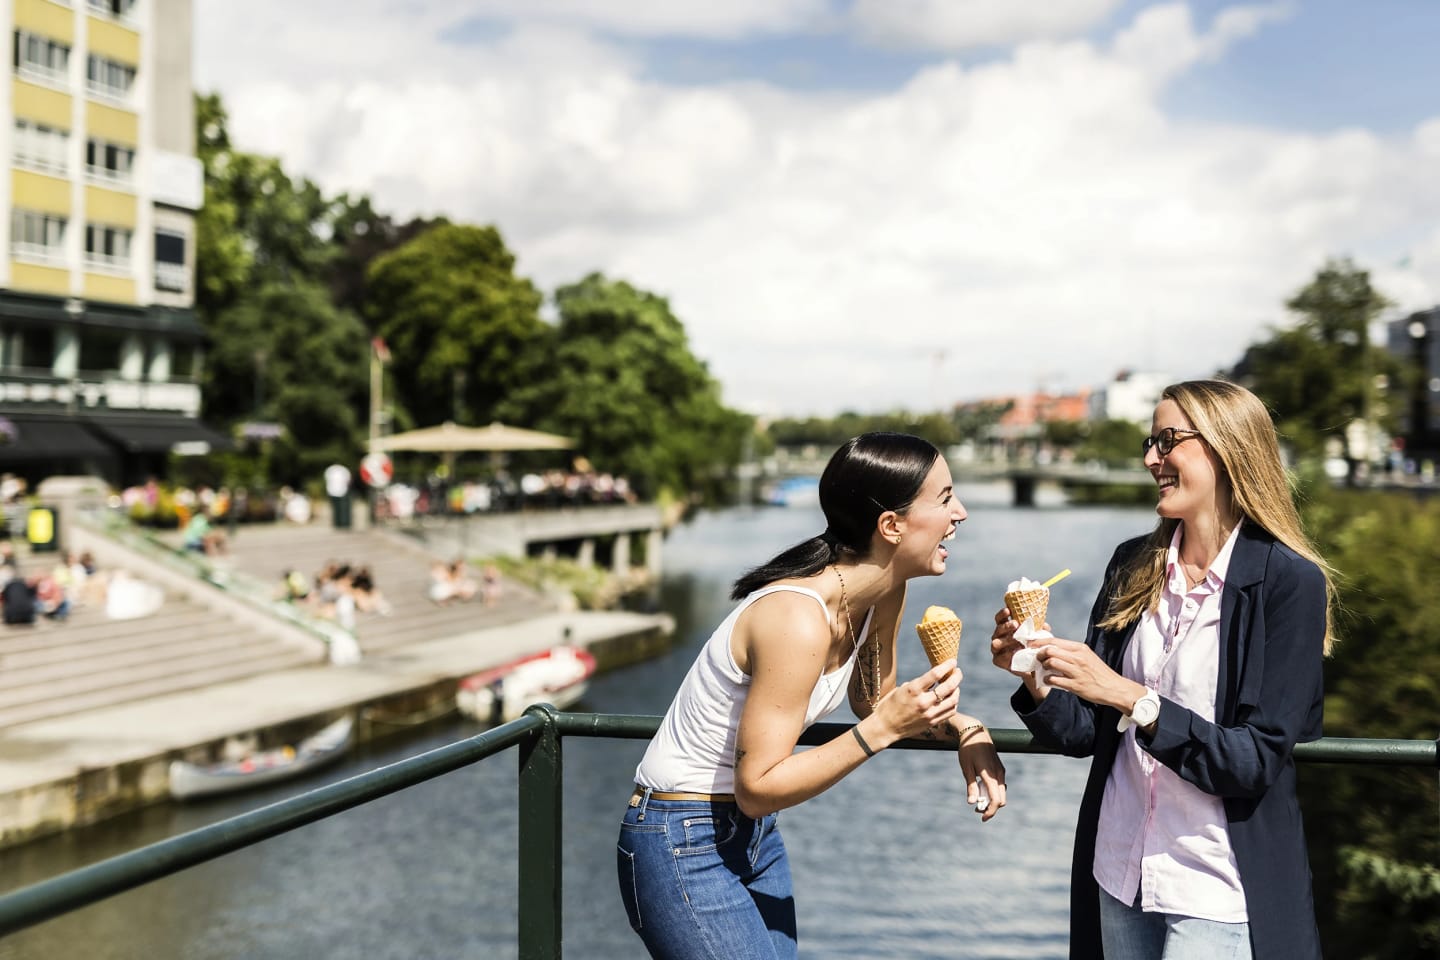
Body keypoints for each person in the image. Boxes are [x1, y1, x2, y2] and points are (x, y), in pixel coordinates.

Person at [619, 432, 1007, 960]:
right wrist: (882, 731)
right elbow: (759, 784)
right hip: (680, 837)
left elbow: (873, 701)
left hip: (751, 834)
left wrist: (966, 728)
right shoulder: (796, 617)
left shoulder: (883, 590)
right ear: (891, 526)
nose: (960, 512)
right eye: (944, 499)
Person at [989, 380, 1334, 959]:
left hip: (1215, 888)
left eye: (1168, 440)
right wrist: (1034, 671)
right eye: (1150, 443)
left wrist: (1132, 698)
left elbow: (1253, 761)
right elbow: (1084, 735)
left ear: (1227, 447)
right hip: (1119, 873)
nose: (1151, 458)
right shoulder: (1132, 564)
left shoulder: (1289, 582)